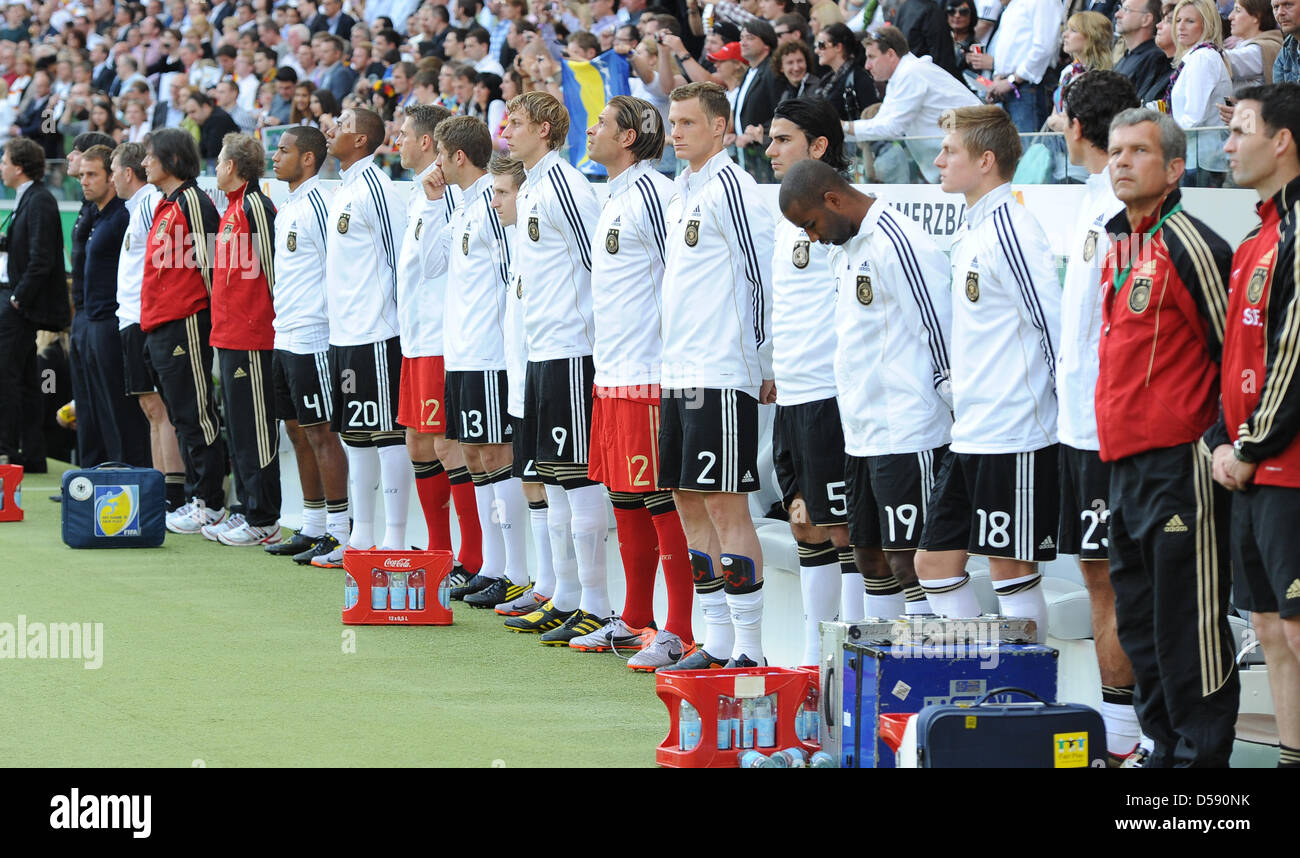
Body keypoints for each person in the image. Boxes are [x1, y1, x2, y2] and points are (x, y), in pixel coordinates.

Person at [1097, 107, 1237, 767]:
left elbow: (1235, 354)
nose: (1120, 160)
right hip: (1122, 465)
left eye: (1138, 152)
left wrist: (1216, 443)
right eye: (1116, 150)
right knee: (1141, 623)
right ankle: (1161, 744)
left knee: (1189, 624)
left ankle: (1201, 760)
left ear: (1175, 168)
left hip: (1182, 464)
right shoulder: (1120, 242)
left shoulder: (1192, 243)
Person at [915, 106, 1060, 641]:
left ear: (986, 160)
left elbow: (1050, 322)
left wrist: (1060, 412)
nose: (938, 160)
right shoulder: (974, 227)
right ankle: (986, 673)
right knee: (933, 565)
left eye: (950, 150)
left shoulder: (1013, 227)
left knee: (1009, 569)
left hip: (1015, 428)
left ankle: (1024, 695)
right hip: (971, 430)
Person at [572, 95, 696, 668]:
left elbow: (682, 285)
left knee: (659, 498)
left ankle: (678, 629)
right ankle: (634, 617)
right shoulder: (612, 195)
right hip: (612, 371)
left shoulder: (655, 195)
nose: (591, 130)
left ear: (627, 138)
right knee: (623, 495)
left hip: (649, 373)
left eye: (601, 124)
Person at [656, 82, 774, 670]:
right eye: (673, 122)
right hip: (677, 370)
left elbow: (759, 279)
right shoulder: (680, 192)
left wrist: (764, 362)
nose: (676, 132)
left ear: (722, 129)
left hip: (722, 369)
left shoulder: (736, 189)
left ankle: (750, 648)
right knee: (685, 501)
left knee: (727, 507)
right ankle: (717, 637)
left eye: (689, 123)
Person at [765, 98, 880, 664]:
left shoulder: (843, 223)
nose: (769, 150)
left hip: (831, 395)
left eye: (782, 139)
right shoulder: (786, 218)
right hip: (792, 391)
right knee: (804, 524)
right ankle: (815, 659)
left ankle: (850, 658)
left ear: (817, 147)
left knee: (842, 531)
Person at [1054, 70, 1145, 765]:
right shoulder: (1089, 205)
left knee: (1113, 578)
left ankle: (1127, 738)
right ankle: (1125, 736)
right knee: (1100, 577)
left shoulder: (1115, 211)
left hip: (1107, 429)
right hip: (1084, 424)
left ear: (1077, 127)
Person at [497, 91, 610, 645]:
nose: (505, 130)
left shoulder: (566, 185)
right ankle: (566, 594)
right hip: (541, 352)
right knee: (554, 480)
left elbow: (598, 264)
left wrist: (595, 338)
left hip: (571, 350)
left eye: (515, 122)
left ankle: (597, 603)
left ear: (544, 129)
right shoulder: (535, 185)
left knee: (578, 477)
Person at [1213, 82, 1300, 770]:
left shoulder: (1299, 231)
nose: (1228, 144)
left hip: (1288, 468)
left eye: (1241, 130)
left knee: (1298, 630)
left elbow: (1294, 356)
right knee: (1270, 628)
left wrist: (1248, 446)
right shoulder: (1254, 237)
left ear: (1283, 141)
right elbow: (1235, 358)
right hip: (1251, 466)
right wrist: (1221, 437)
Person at [420, 113, 533, 607]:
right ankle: (491, 564)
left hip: (488, 351)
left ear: (457, 157)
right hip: (461, 350)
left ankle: (513, 569)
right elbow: (432, 265)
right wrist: (431, 204)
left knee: (495, 454)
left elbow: (514, 277)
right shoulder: (462, 205)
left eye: (440, 156)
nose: (436, 164)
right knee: (470, 454)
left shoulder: (493, 202)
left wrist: (508, 347)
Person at [394, 105, 484, 588]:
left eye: (405, 134)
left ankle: (467, 557)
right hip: (416, 337)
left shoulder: (448, 195)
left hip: (440, 338)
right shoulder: (420, 193)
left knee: (447, 444)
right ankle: (438, 549)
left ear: (429, 143)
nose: (398, 142)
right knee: (417, 441)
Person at [318, 108, 410, 564]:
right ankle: (361, 538)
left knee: (386, 432)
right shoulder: (344, 187)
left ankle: (394, 537)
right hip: (344, 333)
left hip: (377, 331)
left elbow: (399, 259)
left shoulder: (378, 187)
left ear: (361, 139)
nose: (332, 127)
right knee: (355, 434)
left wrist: (395, 320)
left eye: (343, 122)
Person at [263, 125, 353, 565]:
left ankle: (339, 529)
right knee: (295, 429)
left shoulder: (321, 202)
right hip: (285, 329)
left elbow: (336, 266)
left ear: (309, 160)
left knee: (321, 430)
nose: (274, 157)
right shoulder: (289, 204)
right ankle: (313, 524)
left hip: (314, 332)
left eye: (283, 151)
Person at [142, 128, 228, 534]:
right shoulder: (166, 203)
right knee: (180, 414)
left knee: (197, 414)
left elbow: (212, 262)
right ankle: (198, 497)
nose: (144, 163)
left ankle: (210, 501)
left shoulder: (193, 201)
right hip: (160, 323)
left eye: (150, 156)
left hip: (187, 322)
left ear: (172, 159)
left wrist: (213, 317)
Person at [204, 132, 282, 546]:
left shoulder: (255, 206)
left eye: (218, 161)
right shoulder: (232, 208)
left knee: (256, 429)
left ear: (232, 166)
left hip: (253, 337)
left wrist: (272, 323)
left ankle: (264, 516)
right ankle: (243, 508)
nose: (215, 169)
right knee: (237, 427)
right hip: (229, 334)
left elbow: (272, 270)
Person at [490, 151, 557, 619]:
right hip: (520, 378)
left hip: (546, 374)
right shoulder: (510, 244)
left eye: (503, 193)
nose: (496, 202)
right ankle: (543, 582)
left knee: (553, 483)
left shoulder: (539, 243)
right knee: (530, 481)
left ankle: (559, 588)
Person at [112, 140, 186, 512]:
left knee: (160, 408)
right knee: (149, 407)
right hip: (131, 317)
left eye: (112, 171)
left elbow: (162, 264)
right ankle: (159, 490)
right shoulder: (137, 208)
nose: (111, 178)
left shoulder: (150, 205)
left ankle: (172, 493)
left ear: (127, 173)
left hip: (145, 318)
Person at [75, 144, 151, 470]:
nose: (85, 181)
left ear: (112, 176)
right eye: (81, 175)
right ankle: (104, 475)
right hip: (91, 317)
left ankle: (130, 477)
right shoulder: (96, 215)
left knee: (121, 409)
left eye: (92, 174)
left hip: (113, 320)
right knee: (98, 407)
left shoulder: (125, 215)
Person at [0, 138, 66, 469]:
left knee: (7, 378)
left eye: (4, 161)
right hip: (20, 304)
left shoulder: (38, 200)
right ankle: (32, 455)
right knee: (25, 379)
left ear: (19, 167)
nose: (0, 167)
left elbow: (42, 258)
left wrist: (16, 298)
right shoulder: (28, 198)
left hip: (19, 305)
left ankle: (7, 451)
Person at [846, 26, 980, 182]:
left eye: (871, 57)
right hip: (961, 161)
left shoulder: (911, 73)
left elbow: (892, 128)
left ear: (890, 54)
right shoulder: (905, 74)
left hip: (970, 160)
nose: (867, 65)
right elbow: (880, 123)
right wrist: (845, 130)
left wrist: (845, 128)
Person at [966, 0, 1064, 133]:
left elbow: (1044, 46)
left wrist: (1013, 80)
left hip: (1029, 86)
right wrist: (998, 80)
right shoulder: (1013, 5)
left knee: (1031, 150)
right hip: (1009, 87)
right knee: (1014, 150)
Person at [1167, 0, 1232, 181]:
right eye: (1178, 20)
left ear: (1206, 25)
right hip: (1197, 156)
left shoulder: (1203, 58)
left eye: (1189, 21)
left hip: (1202, 160)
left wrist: (1165, 140)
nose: (1181, 26)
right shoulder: (1199, 56)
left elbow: (1193, 118)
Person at [813, 22, 877, 124]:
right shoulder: (827, 79)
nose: (816, 51)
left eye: (821, 45)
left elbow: (871, 117)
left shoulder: (859, 78)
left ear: (838, 47)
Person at [1114, 0, 1173, 103]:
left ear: (1146, 19)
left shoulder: (1155, 58)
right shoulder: (1128, 55)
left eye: (1126, 10)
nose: (1117, 14)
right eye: (1120, 8)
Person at [1224, 0, 1282, 86]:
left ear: (1256, 16)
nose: (1230, 16)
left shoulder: (1259, 50)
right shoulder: (1246, 44)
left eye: (1238, 10)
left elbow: (1217, 60)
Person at [184, 89, 242, 159]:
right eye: (188, 113)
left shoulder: (218, 119)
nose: (190, 117)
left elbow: (213, 155)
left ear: (205, 107)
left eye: (193, 112)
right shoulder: (205, 119)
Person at [1275, 0, 1299, 83]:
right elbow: (1278, 94)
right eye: (1276, 7)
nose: (1279, 13)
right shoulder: (1286, 49)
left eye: (1288, 5)